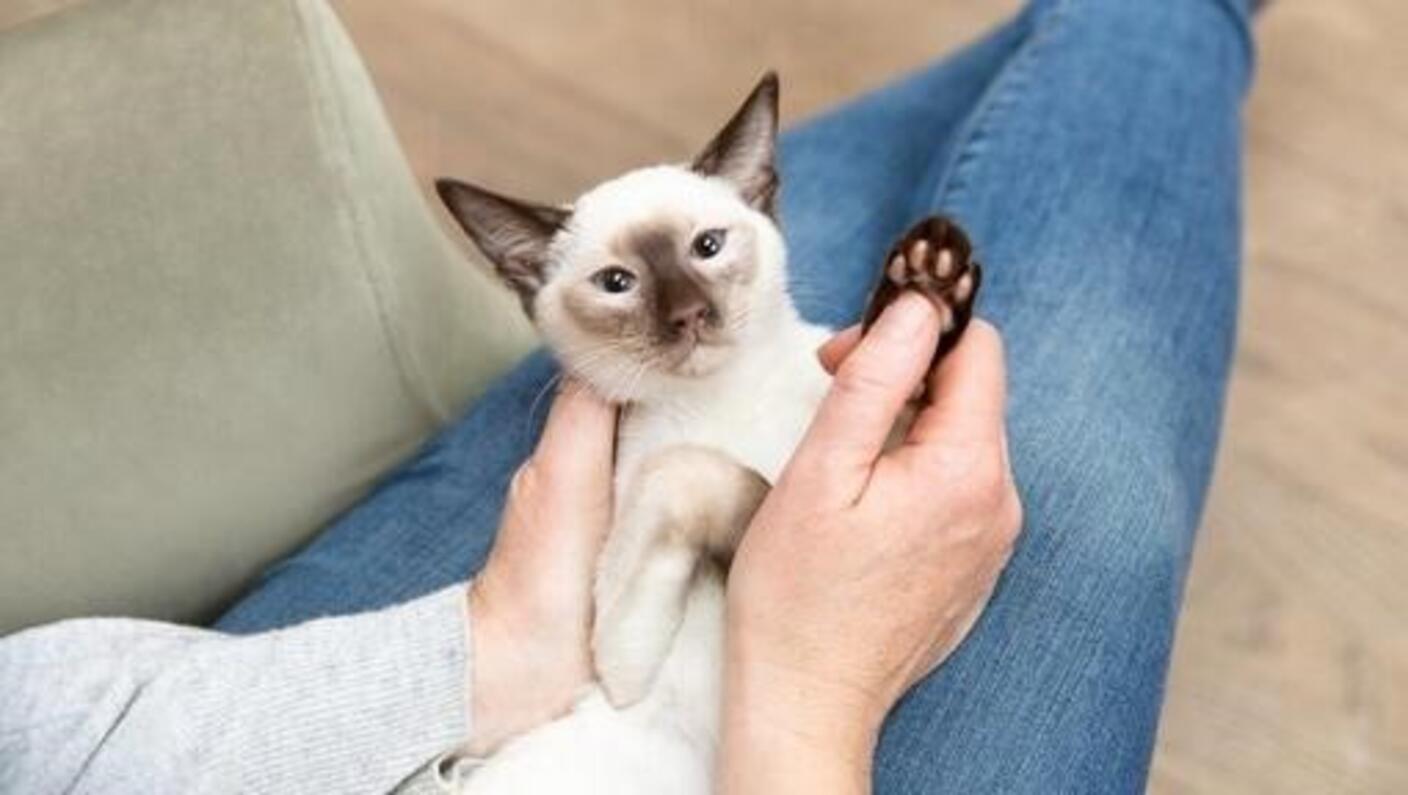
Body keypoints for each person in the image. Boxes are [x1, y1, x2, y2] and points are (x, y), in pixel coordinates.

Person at [0, 0, 1254, 791]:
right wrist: (805, 715)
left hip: (218, 728)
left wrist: (493, 640)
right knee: (1090, 477)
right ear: (524, 280)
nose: (678, 308)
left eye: (703, 261)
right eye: (615, 288)